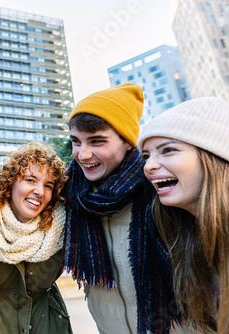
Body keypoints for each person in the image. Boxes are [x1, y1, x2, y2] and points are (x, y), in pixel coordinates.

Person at [62, 83, 197, 334]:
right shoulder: (69, 195)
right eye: (76, 142)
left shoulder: (164, 189)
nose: (82, 154)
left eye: (97, 141)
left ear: (127, 142)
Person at [138, 97, 229, 333]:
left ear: (216, 157)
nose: (148, 166)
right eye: (145, 155)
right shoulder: (185, 238)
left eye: (168, 150)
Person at [0, 142, 72, 334]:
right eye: (31, 180)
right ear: (11, 181)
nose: (40, 191)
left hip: (49, 325)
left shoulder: (62, 227)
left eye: (48, 185)